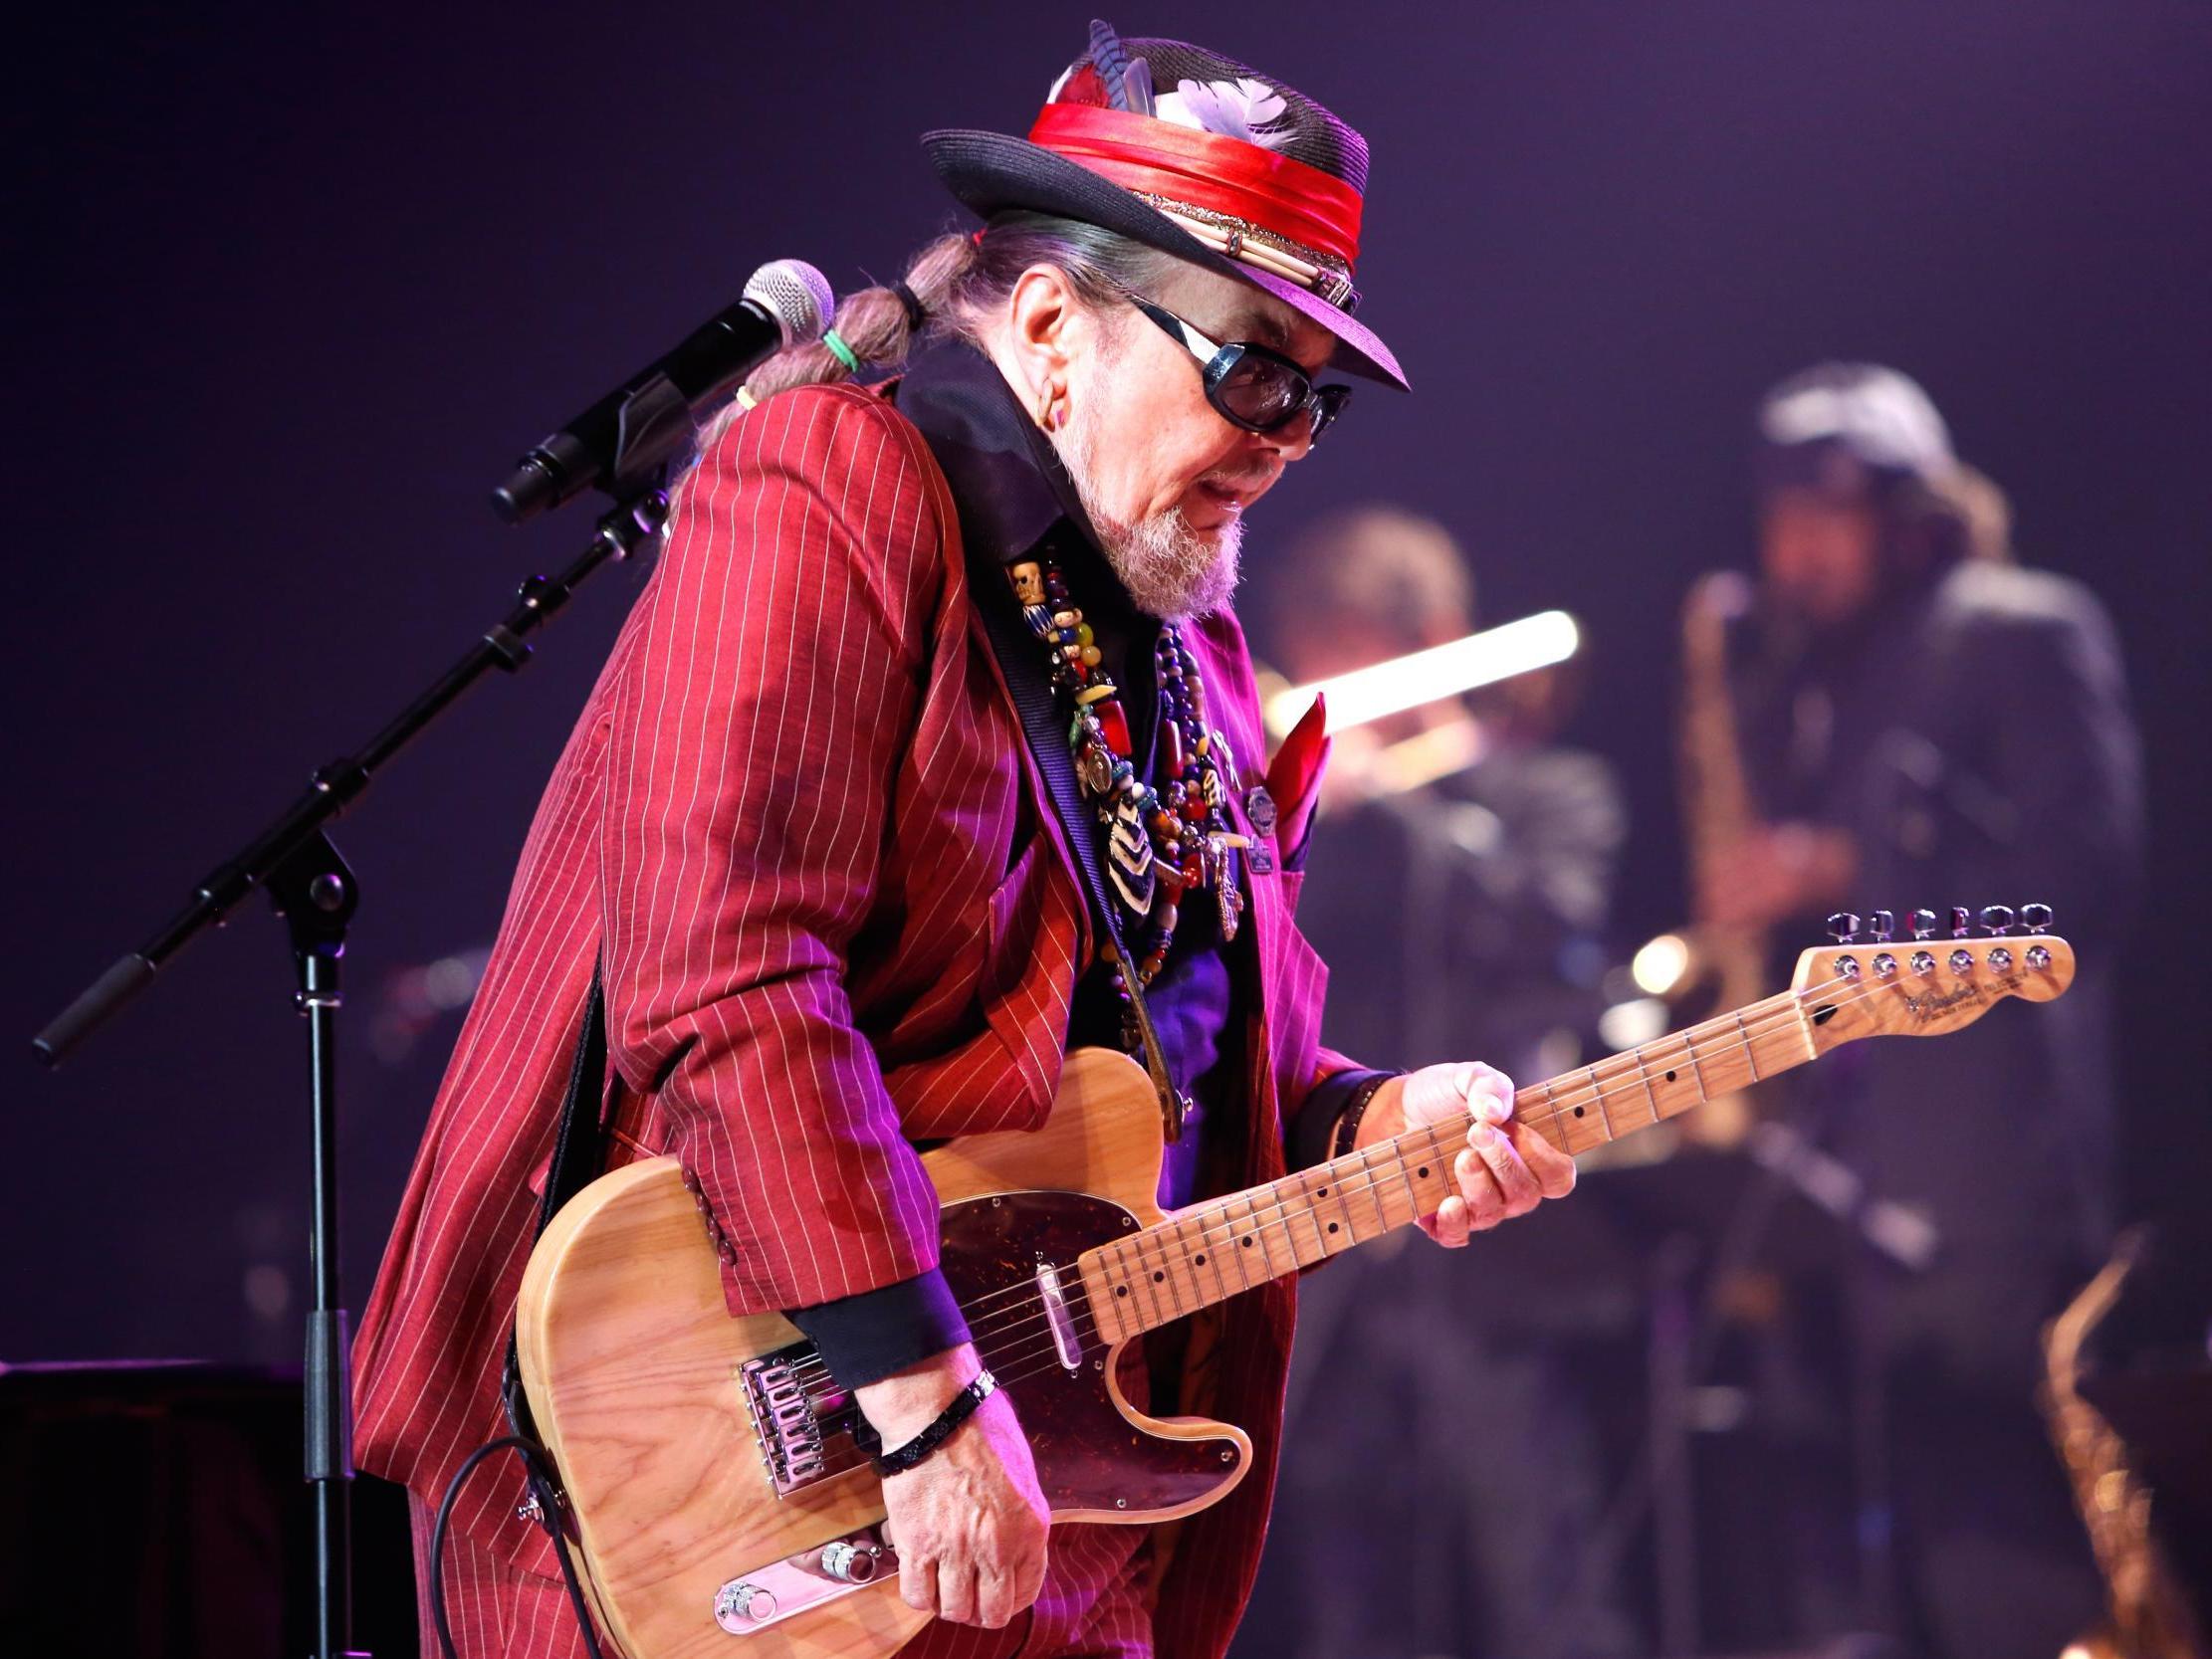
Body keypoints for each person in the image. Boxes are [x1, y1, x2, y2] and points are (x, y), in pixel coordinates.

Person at [352, 26, 1577, 1659]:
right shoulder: (826, 479)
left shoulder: (1186, 639)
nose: (1285, 433)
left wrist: (1367, 1120)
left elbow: (1162, 1064)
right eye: (1249, 368)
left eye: (1315, 395)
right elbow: (727, 976)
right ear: (1055, 322)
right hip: (746, 1483)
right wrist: (920, 1404)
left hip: (1049, 1525)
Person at [1698, 362, 2142, 1657]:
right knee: (1853, 1569)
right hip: (1833, 1176)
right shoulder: (1804, 680)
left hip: (1987, 1180)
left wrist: (1841, 866)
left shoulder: (2022, 626)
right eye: (1778, 511)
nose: (1795, 545)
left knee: (2001, 1546)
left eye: (1826, 509)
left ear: (1908, 512)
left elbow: (2085, 885)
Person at [1232, 507, 1637, 1659]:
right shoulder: (1312, 820)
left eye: (1347, 651)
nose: (1322, 681)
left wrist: (1403, 808)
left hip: (1491, 1261)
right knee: (1341, 1594)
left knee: (1540, 1579)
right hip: (1340, 1261)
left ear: (1432, 640)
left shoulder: (1550, 791)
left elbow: (1556, 934)